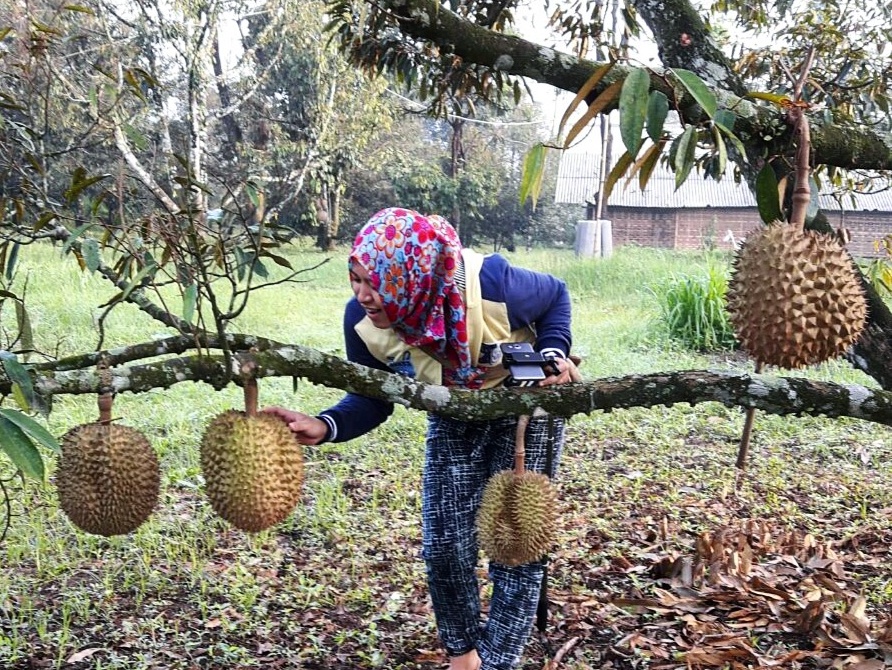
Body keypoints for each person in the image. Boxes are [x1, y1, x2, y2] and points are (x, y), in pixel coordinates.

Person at [264, 206, 575, 670]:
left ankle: (500, 660)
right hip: (452, 409)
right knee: (445, 545)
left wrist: (553, 354)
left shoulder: (492, 284)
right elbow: (372, 397)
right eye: (356, 279)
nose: (364, 295)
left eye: (376, 282)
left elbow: (556, 297)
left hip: (528, 408)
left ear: (413, 274)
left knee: (517, 546)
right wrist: (324, 425)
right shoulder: (362, 323)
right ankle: (463, 655)